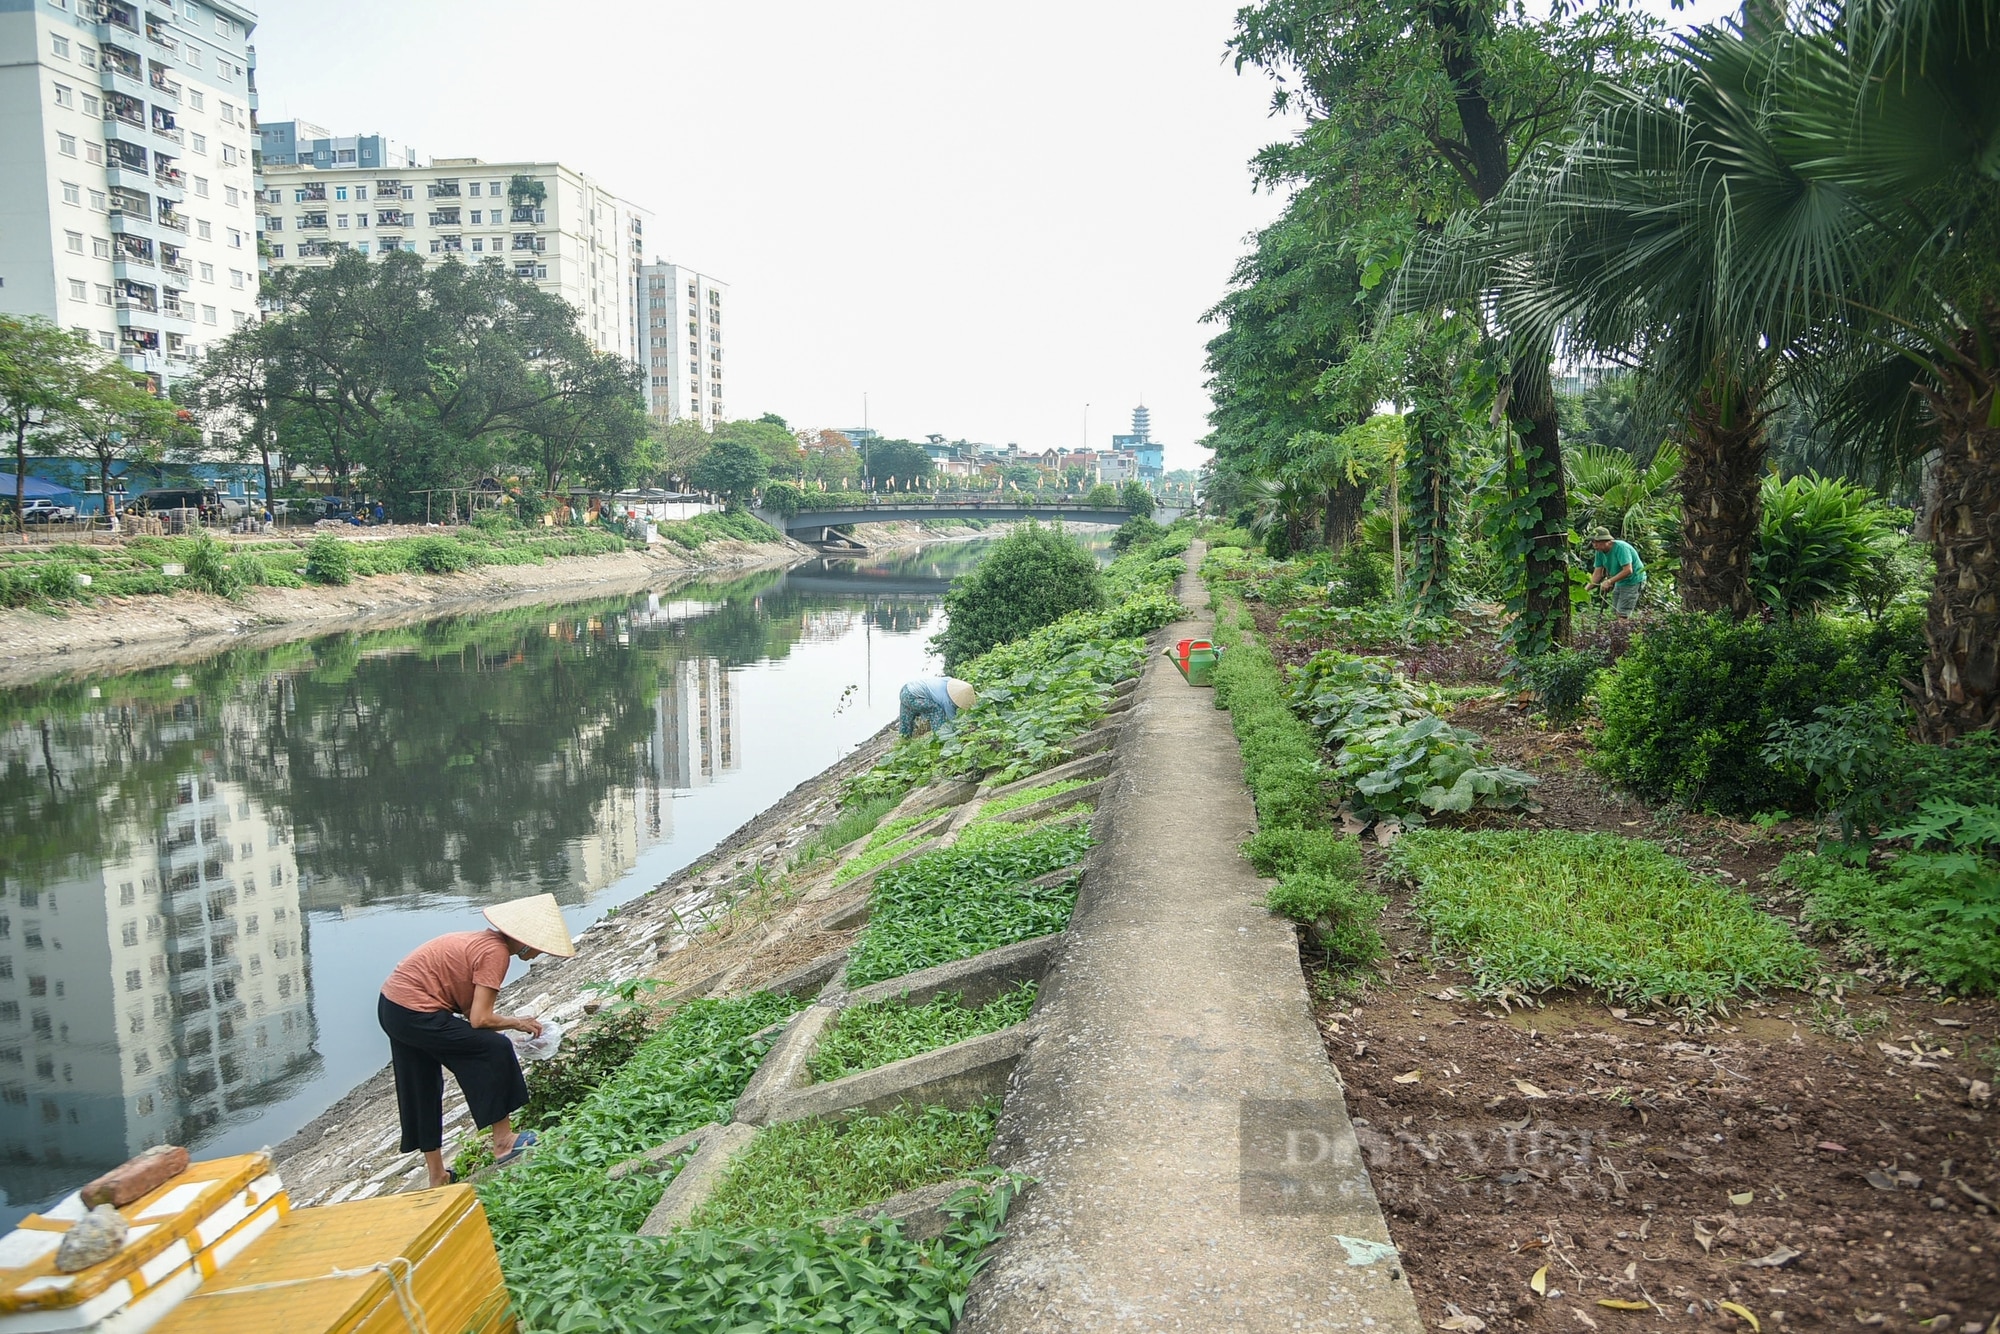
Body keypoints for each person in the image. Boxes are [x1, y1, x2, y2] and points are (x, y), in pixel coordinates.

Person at [377, 893, 576, 1188]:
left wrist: (508, 1026)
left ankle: (437, 1176)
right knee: (494, 1050)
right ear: (526, 941)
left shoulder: (482, 942)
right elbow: (480, 1020)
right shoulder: (495, 954)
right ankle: (505, 1142)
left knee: (421, 1084)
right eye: (540, 948)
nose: (539, 953)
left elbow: (472, 1011)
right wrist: (517, 1023)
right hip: (417, 1010)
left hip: (392, 1007)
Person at [1585, 526, 1647, 618]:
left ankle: (1624, 631)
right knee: (1616, 610)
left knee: (1622, 613)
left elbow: (1628, 570)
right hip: (1620, 581)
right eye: (1593, 542)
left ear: (1607, 541)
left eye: (1597, 542)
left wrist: (1609, 581)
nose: (1595, 545)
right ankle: (1618, 630)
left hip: (1633, 580)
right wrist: (1585, 590)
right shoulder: (1599, 551)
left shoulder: (1621, 548)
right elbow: (1597, 574)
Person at [898, 676, 978, 739]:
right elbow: (953, 720)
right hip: (912, 696)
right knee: (936, 710)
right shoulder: (947, 701)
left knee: (906, 715)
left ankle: (904, 738)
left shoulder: (948, 680)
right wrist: (959, 731)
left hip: (906, 689)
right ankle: (939, 735)